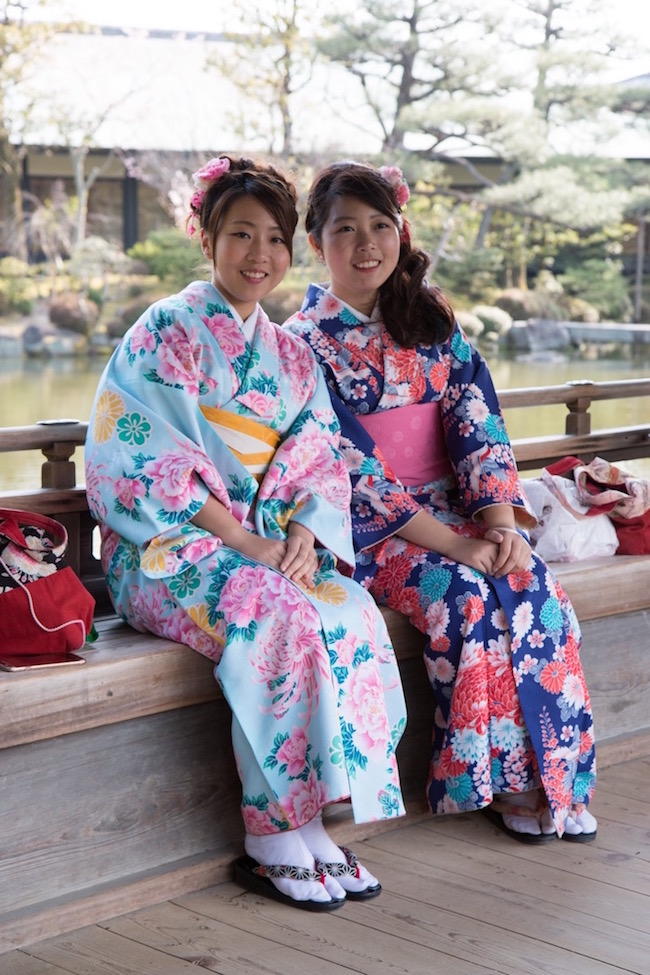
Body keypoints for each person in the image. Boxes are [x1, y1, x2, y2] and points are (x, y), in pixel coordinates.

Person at [84, 154, 407, 912]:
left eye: (273, 238)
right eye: (239, 234)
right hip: (169, 549)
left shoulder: (292, 354)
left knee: (348, 606)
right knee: (278, 611)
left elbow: (319, 454)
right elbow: (138, 454)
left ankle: (319, 816)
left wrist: (300, 531)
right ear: (207, 238)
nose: (258, 255)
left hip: (262, 541)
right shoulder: (166, 329)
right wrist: (247, 541)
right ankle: (271, 832)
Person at [283, 159, 597, 844]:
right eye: (345, 229)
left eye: (379, 226)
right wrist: (456, 544)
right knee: (466, 598)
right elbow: (347, 465)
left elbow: (474, 419)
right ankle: (499, 780)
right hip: (373, 533)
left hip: (461, 513)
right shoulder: (302, 345)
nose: (366, 244)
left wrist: (497, 521)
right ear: (316, 243)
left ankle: (559, 772)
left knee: (537, 587)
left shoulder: (431, 321)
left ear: (400, 231)